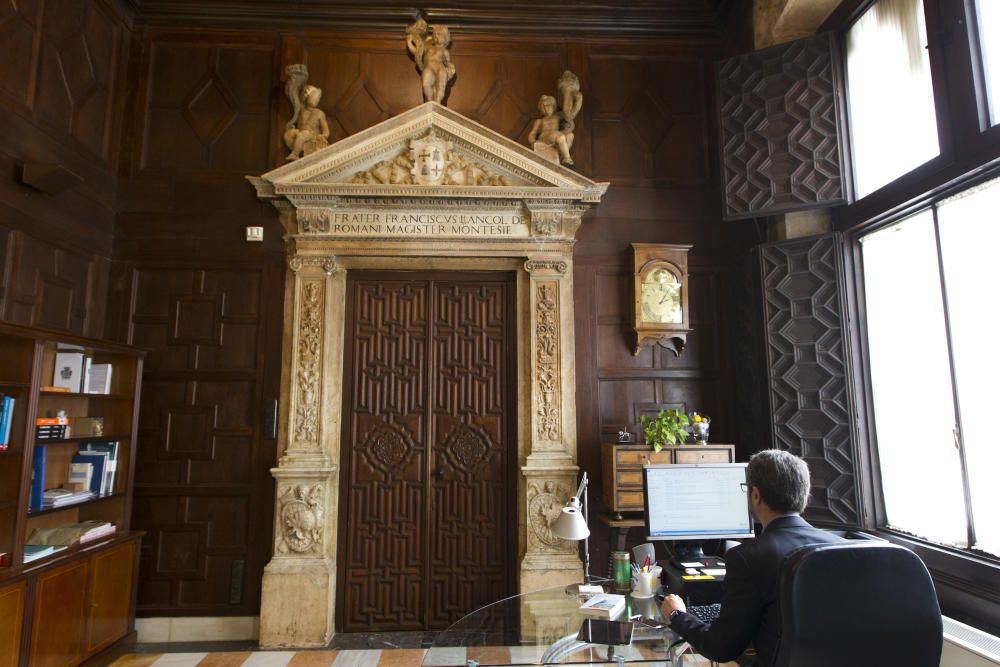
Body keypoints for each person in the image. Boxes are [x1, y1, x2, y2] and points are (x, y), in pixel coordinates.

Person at [660, 449, 845, 666]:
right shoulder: (841, 548)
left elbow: (721, 647)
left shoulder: (748, 557)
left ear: (755, 495)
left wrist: (677, 616)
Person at [528, 94, 574, 166]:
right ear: (542, 107)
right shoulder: (540, 121)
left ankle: (561, 155)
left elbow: (567, 113)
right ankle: (567, 158)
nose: (547, 108)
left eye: (550, 105)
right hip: (544, 136)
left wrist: (569, 94)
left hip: (554, 135)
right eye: (545, 106)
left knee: (570, 135)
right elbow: (533, 133)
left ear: (553, 106)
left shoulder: (557, 116)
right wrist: (533, 142)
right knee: (559, 137)